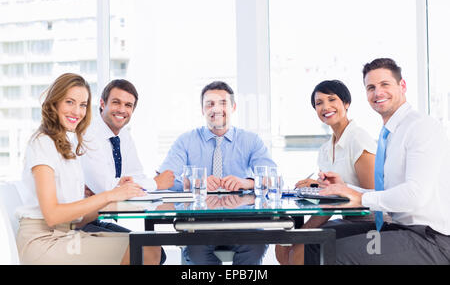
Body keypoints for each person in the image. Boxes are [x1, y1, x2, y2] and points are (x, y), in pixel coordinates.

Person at [305, 58, 450, 264]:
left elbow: (415, 196)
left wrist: (361, 198)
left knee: (334, 254)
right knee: (317, 240)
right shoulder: (390, 133)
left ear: (403, 86)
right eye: (371, 87)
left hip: (430, 238)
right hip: (400, 229)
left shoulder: (420, 127)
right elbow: (386, 192)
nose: (377, 93)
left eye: (385, 85)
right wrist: (345, 188)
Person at [15, 73, 161, 264]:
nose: (77, 111)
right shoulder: (42, 143)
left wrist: (114, 195)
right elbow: (52, 216)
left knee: (150, 246)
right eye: (70, 102)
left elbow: (78, 219)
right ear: (55, 103)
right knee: (143, 250)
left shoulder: (66, 145)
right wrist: (108, 196)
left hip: (66, 234)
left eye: (83, 105)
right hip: (43, 242)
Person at [157, 81, 276, 265]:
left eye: (222, 103)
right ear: (202, 109)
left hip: (243, 221)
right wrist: (192, 182)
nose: (216, 109)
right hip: (198, 223)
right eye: (210, 104)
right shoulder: (186, 141)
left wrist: (247, 182)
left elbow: (273, 177)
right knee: (196, 254)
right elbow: (165, 179)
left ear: (233, 107)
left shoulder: (251, 140)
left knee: (255, 247)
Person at [276, 79, 378, 265]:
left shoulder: (358, 139)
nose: (326, 106)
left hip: (372, 224)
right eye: (319, 103)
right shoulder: (325, 149)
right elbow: (328, 202)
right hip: (347, 219)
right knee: (283, 245)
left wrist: (304, 232)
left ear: (346, 104)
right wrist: (304, 229)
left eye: (332, 100)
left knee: (300, 250)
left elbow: (373, 195)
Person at [79, 79, 174, 264]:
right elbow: (106, 189)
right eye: (116, 102)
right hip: (78, 223)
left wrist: (122, 186)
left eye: (128, 105)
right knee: (147, 252)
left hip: (95, 218)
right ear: (102, 103)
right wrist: (156, 183)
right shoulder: (89, 134)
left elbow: (135, 176)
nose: (122, 110)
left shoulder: (123, 135)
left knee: (156, 250)